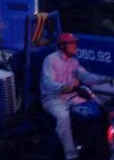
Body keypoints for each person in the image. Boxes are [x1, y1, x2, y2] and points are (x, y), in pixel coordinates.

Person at [40, 32, 112, 160]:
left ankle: (99, 146)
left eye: (75, 43)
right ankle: (71, 155)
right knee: (63, 117)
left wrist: (107, 78)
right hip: (53, 98)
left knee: (97, 109)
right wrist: (63, 87)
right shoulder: (51, 60)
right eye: (72, 43)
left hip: (71, 96)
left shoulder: (73, 61)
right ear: (63, 46)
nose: (75, 46)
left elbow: (87, 76)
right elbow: (47, 82)